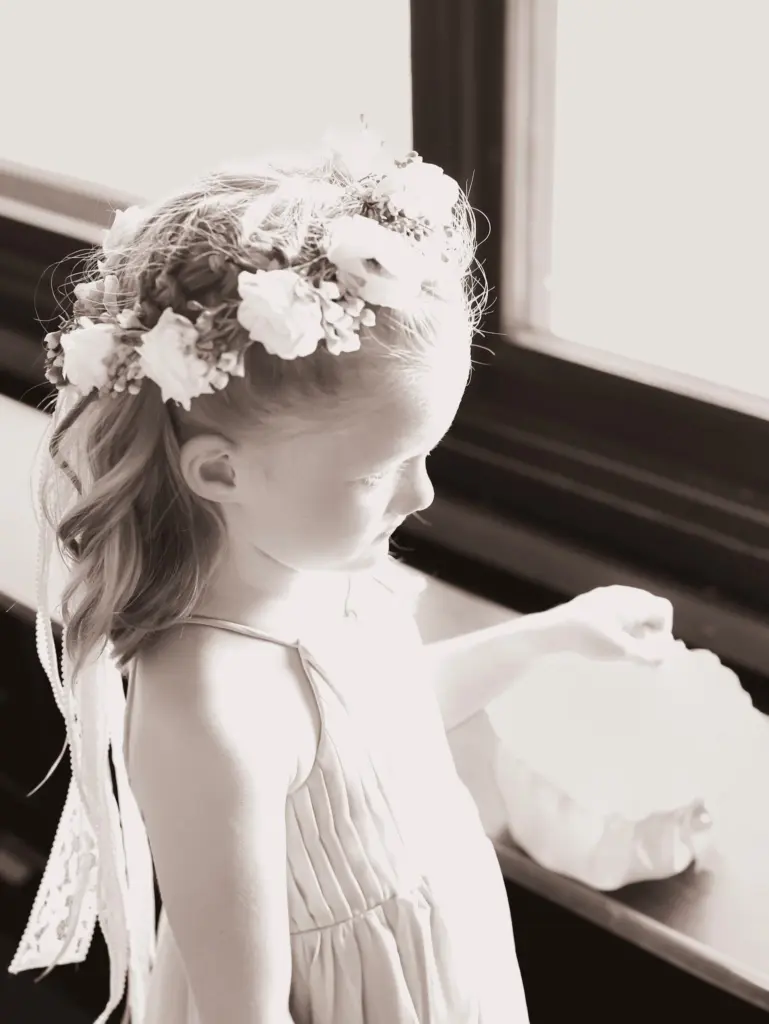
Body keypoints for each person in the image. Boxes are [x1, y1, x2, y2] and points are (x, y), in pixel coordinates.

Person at [7, 125, 676, 1024]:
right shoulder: (205, 710)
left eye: (425, 454)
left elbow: (378, 727)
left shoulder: (325, 568)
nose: (422, 493)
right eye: (379, 471)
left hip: (441, 961)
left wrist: (549, 635)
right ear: (219, 472)